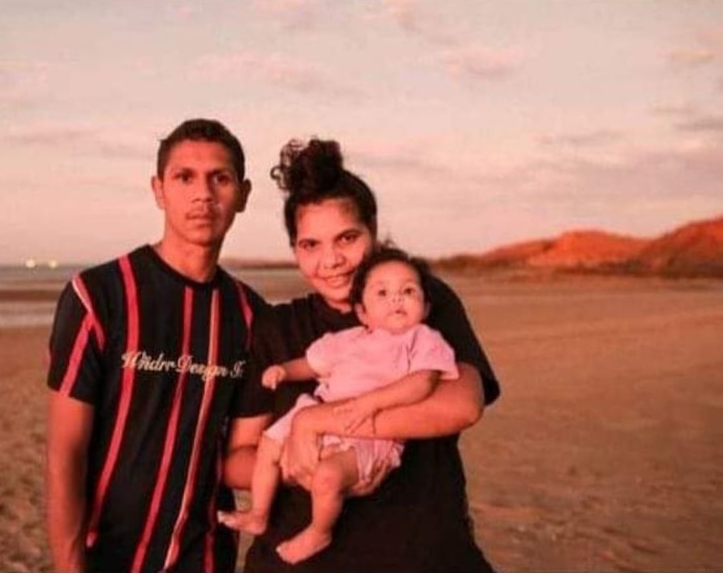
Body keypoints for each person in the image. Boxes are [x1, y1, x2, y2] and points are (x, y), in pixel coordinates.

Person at [223, 138, 501, 572]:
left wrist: (315, 421)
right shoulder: (276, 328)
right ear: (294, 249)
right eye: (310, 245)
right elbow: (237, 455)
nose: (331, 260)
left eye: (347, 238)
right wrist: (304, 464)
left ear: (373, 230)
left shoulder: (415, 300)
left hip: (420, 555)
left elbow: (462, 405)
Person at [45, 118, 269, 573]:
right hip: (106, 558)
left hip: (206, 558)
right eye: (184, 177)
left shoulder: (252, 317)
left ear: (243, 195)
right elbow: (65, 451)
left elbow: (241, 453)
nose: (203, 194)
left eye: (220, 178)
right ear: (158, 190)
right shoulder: (98, 296)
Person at [219, 245, 461, 564]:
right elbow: (313, 363)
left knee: (328, 477)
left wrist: (372, 402)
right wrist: (284, 370)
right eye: (382, 292)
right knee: (268, 444)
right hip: (320, 410)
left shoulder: (422, 339)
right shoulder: (351, 339)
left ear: (426, 307)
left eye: (408, 291)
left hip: (369, 434)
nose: (396, 299)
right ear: (362, 311)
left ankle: (320, 531)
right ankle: (259, 513)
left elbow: (422, 383)